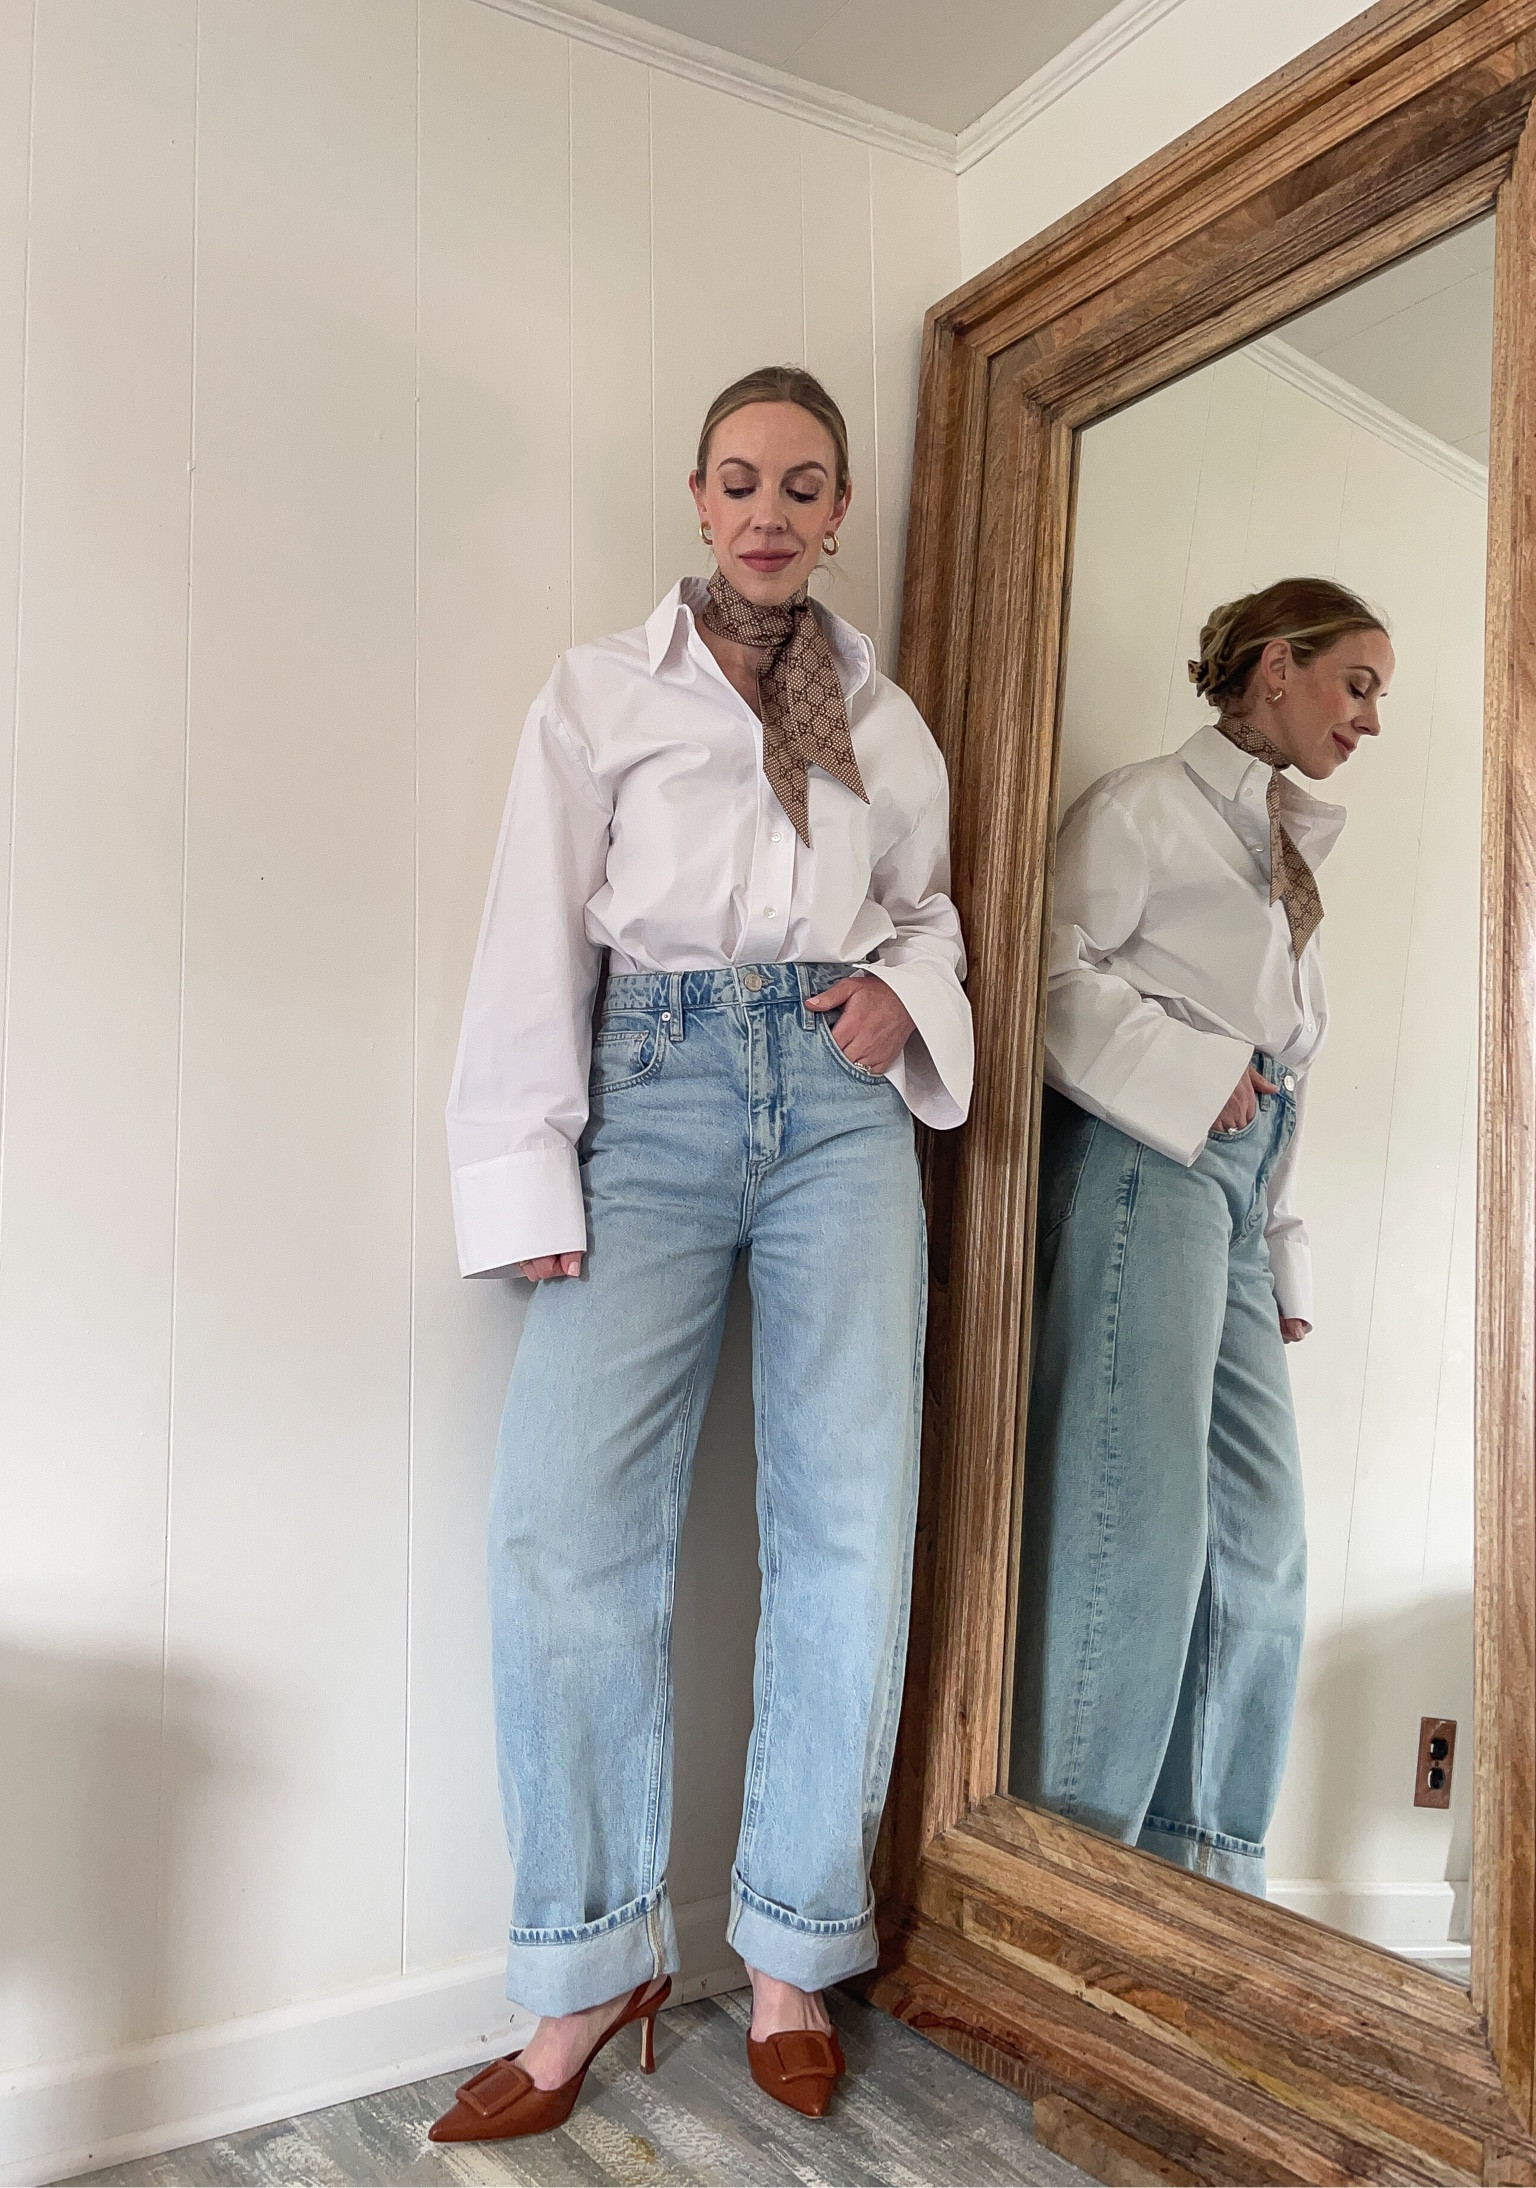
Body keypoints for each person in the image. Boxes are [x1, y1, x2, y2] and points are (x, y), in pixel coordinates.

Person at [430, 364, 972, 2140]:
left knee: (848, 1519)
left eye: (803, 486)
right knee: (561, 1526)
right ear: (696, 494)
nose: (768, 512)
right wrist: (529, 1179)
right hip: (652, 1094)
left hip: (838, 1107)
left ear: (838, 511)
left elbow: (926, 912)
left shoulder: (883, 721)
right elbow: (533, 934)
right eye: (740, 479)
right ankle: (584, 1967)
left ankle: (798, 1950)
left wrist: (903, 998)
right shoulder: (604, 691)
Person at [1011, 577, 1393, 1895]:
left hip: (1232, 1200)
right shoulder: (1142, 809)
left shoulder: (1286, 857)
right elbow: (1043, 979)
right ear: (1278, 665)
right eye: (1358, 684)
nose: (1371, 719)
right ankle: (1072, 1878)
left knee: (1262, 1538)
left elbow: (1288, 1070)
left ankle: (1205, 1884)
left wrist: (1280, 1245)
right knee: (1140, 1526)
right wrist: (1190, 1073)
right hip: (1145, 1167)